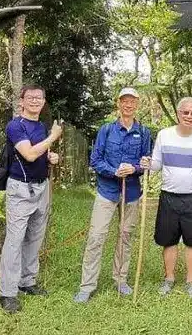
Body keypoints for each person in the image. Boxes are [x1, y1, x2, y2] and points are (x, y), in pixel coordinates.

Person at [74, 87, 152, 303]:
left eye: (132, 101)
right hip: (107, 192)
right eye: (124, 101)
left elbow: (146, 162)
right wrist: (114, 171)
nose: (128, 105)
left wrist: (136, 168)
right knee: (96, 237)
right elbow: (95, 160)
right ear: (118, 104)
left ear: (137, 105)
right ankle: (87, 286)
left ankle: (121, 279)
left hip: (132, 194)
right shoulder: (106, 130)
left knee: (125, 236)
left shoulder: (144, 132)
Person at [0, 85, 62, 314]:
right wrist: (52, 138)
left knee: (35, 237)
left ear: (44, 102)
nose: (35, 101)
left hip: (41, 188)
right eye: (30, 97)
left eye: (39, 97)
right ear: (22, 101)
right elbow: (29, 153)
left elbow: (41, 154)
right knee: (14, 241)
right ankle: (7, 293)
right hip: (20, 191)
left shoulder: (41, 126)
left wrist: (51, 157)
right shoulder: (16, 126)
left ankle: (27, 281)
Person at [150, 97, 192, 298]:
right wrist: (147, 164)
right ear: (178, 114)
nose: (189, 116)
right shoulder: (164, 135)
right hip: (169, 196)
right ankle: (169, 278)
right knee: (168, 241)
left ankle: (190, 281)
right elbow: (156, 165)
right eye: (185, 112)